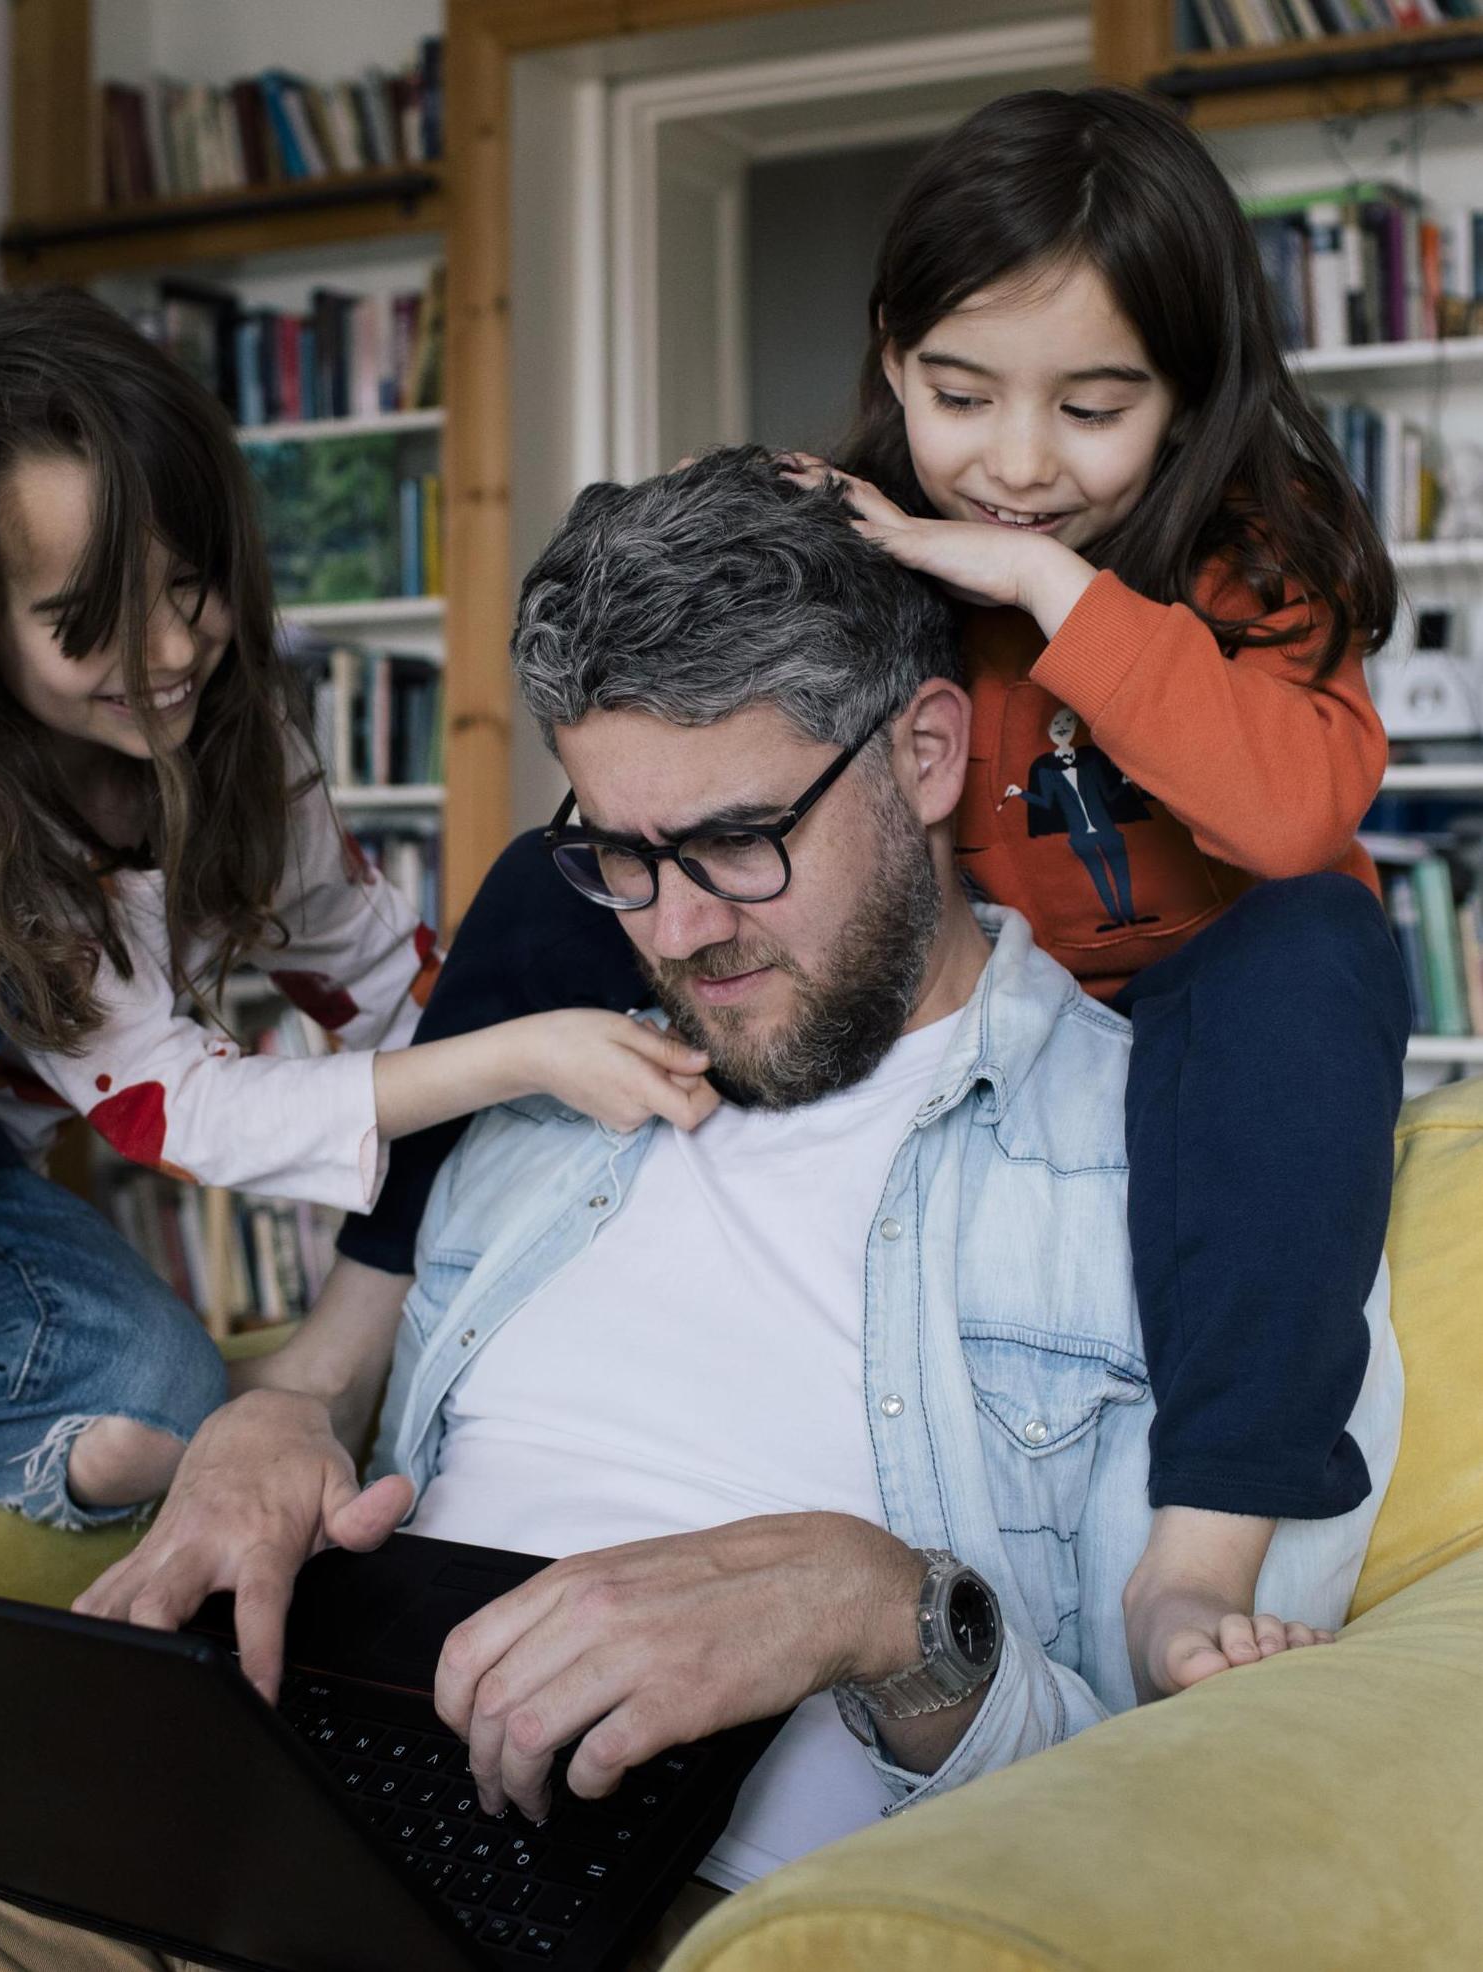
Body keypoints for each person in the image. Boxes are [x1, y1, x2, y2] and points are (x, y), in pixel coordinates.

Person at [0, 448, 1401, 1972]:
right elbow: (348, 1360)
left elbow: (1189, 1817)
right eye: (616, 854)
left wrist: (880, 1608)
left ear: (927, 752)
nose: (675, 928)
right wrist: (269, 1430)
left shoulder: (1177, 1155)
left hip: (673, 1907)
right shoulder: (549, 1094)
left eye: (734, 841)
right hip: (217, 1819)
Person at [170, 84, 1412, 1706]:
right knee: (539, 883)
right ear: (894, 356)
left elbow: (1290, 809)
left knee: (1318, 945)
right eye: (962, 394)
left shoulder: (1248, 556)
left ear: (1190, 397)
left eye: (1090, 408)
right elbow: (713, 727)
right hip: (400, 1710)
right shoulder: (886, 528)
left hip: (1194, 988)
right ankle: (326, 1345)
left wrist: (1052, 589)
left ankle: (1196, 1560)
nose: (1017, 466)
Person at [0, 289, 715, 1568]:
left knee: (161, 1411)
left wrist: (527, 1116)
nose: (171, 650)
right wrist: (523, 1054)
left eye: (191, 586)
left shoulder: (241, 752)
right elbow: (180, 1105)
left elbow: (381, 974)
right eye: (88, 624)